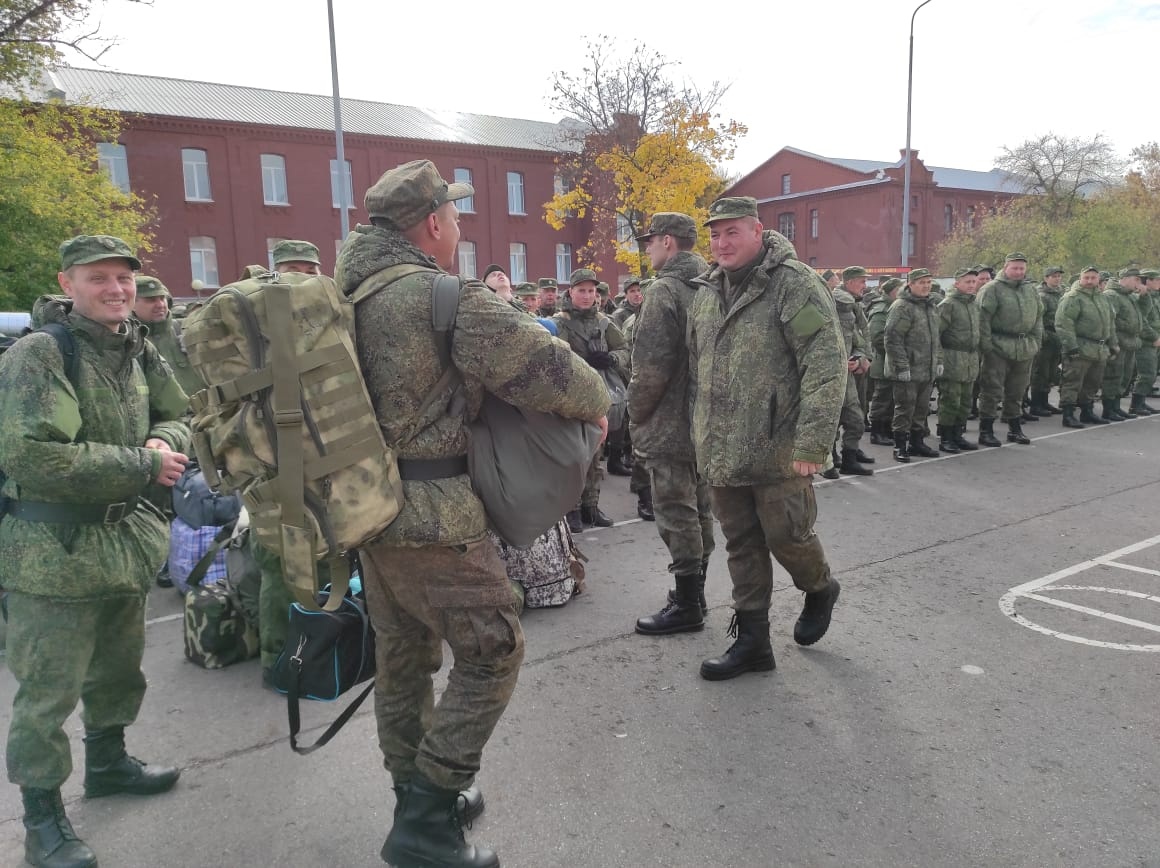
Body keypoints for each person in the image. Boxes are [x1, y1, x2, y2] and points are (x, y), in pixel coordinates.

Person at [334, 160, 608, 868]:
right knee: (493, 653)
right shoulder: (440, 296)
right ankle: (426, 821)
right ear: (431, 224)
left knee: (404, 657)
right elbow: (550, 369)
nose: (457, 226)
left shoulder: (345, 293)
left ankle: (414, 797)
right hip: (434, 513)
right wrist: (599, 407)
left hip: (366, 509)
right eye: (453, 215)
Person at [0, 235, 191, 868]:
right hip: (52, 551)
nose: (116, 289)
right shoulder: (41, 353)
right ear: (68, 282)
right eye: (98, 278)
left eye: (124, 278)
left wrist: (163, 441)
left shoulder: (134, 348)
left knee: (118, 669)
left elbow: (179, 412)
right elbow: (32, 454)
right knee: (47, 695)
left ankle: (108, 764)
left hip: (121, 543)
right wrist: (145, 463)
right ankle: (42, 823)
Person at [686, 196, 844, 681]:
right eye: (714, 234)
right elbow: (699, 368)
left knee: (787, 537)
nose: (721, 243)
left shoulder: (792, 285)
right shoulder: (707, 290)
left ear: (758, 231)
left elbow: (824, 361)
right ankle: (753, 641)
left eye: (732, 232)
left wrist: (812, 443)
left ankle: (819, 586)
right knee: (741, 544)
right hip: (722, 448)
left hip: (778, 449)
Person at [629, 212, 716, 636]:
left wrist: (635, 413)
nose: (646, 248)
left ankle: (687, 603)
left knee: (675, 511)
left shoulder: (665, 291)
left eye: (650, 241)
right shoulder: (714, 282)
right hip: (707, 418)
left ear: (667, 242)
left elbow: (650, 370)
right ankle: (695, 594)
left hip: (669, 420)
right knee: (701, 508)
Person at [553, 268, 630, 532]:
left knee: (595, 454)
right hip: (571, 397)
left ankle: (591, 506)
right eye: (581, 291)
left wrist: (611, 359)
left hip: (599, 395)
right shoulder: (559, 322)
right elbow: (556, 357)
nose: (587, 296)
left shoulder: (605, 322)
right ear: (571, 292)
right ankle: (571, 510)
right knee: (575, 456)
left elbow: (623, 349)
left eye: (591, 291)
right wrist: (583, 363)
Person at [975, 253, 1043, 446]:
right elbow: (982, 319)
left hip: (1024, 347)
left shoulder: (1030, 290)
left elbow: (1038, 317)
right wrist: (987, 346)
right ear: (1005, 268)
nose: (1019, 272)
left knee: (1017, 390)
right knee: (992, 390)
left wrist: (1036, 341)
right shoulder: (992, 289)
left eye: (1022, 268)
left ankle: (1014, 428)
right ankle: (986, 430)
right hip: (998, 346)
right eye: (1015, 268)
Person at [884, 268, 942, 462]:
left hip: (926, 368)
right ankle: (899, 446)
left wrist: (938, 361)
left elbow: (936, 338)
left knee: (921, 408)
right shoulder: (902, 307)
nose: (926, 286)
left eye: (928, 282)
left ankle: (917, 443)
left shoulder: (930, 306)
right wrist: (901, 367)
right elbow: (893, 339)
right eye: (921, 282)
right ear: (910, 284)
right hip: (908, 369)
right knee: (904, 409)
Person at [1055, 266, 1117, 428]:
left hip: (1098, 348)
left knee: (1092, 383)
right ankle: (1068, 415)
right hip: (1080, 347)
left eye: (1093, 278)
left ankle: (1087, 412)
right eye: (1086, 278)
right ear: (1080, 279)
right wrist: (1071, 347)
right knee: (1072, 382)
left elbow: (1110, 324)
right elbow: (1064, 324)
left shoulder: (1102, 298)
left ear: (1098, 280)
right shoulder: (1073, 297)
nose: (1089, 281)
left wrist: (1113, 344)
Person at [830, 266, 874, 475]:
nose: (865, 286)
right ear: (848, 282)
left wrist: (860, 357)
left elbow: (858, 336)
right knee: (835, 418)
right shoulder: (840, 303)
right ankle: (831, 459)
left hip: (849, 371)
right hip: (833, 374)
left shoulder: (853, 304)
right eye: (861, 281)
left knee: (854, 417)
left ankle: (848, 456)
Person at [133, 275, 204, 399]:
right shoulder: (127, 340)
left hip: (205, 413)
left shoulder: (186, 329)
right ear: (131, 303)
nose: (160, 304)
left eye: (162, 298)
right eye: (151, 300)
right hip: (161, 417)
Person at [935, 268, 981, 452]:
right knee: (950, 399)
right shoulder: (948, 304)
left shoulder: (972, 304)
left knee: (965, 400)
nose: (971, 285)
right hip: (952, 357)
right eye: (967, 282)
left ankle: (957, 434)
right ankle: (946, 437)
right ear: (957, 284)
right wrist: (939, 359)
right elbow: (936, 334)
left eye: (973, 281)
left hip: (970, 359)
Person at [1100, 267, 1144, 421]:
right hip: (1118, 341)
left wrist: (1144, 295)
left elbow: (1142, 313)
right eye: (1136, 279)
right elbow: (1110, 320)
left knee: (1125, 375)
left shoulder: (1130, 296)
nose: (1138, 283)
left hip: (1130, 342)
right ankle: (1108, 409)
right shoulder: (1112, 295)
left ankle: (1116, 406)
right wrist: (1114, 340)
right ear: (1125, 278)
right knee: (1113, 375)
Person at [865, 277, 903, 445]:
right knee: (881, 398)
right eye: (899, 290)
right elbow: (877, 337)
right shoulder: (881, 309)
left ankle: (887, 429)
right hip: (882, 361)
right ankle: (876, 431)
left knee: (891, 399)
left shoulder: (897, 307)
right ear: (891, 291)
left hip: (893, 360)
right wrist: (894, 351)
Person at [1028, 266, 1066, 416]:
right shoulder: (1041, 296)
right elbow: (1037, 318)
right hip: (1046, 337)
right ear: (1046, 278)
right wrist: (1043, 337)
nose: (1057, 279)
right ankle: (1036, 404)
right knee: (1040, 372)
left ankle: (1044, 402)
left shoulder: (1060, 294)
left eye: (1058, 276)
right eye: (1053, 276)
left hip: (1057, 337)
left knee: (1050, 372)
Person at [1131, 268, 1160, 415]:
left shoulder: (1154, 296)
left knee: (1151, 373)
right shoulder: (1141, 297)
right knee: (1146, 373)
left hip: (1154, 340)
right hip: (1145, 341)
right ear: (1147, 280)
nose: (1159, 282)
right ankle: (1136, 405)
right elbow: (1141, 321)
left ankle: (1141, 402)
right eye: (1157, 279)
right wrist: (1154, 337)